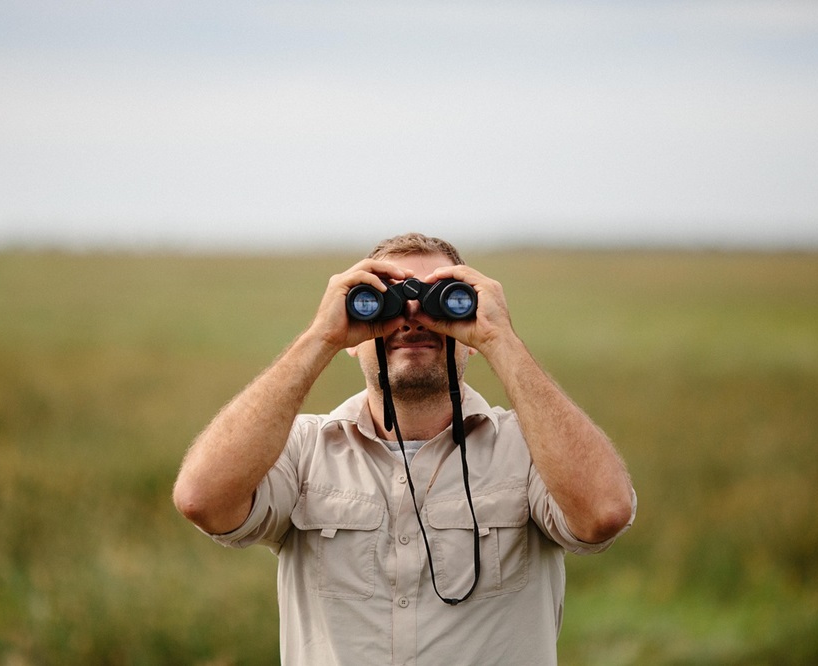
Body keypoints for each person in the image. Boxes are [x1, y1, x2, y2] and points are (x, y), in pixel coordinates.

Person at [173, 232, 636, 665]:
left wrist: (501, 339)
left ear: (469, 332)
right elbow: (202, 500)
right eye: (386, 299)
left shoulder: (529, 448)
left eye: (442, 299)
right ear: (355, 334)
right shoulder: (303, 450)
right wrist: (320, 338)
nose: (412, 319)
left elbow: (603, 515)